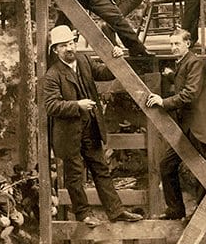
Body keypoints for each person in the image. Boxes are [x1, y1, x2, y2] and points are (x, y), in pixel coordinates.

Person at [42, 25, 144, 225]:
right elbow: (51, 106)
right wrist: (77, 105)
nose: (70, 48)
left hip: (91, 129)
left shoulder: (84, 61)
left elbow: (105, 73)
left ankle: (116, 211)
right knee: (75, 176)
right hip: (69, 134)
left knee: (101, 170)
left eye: (71, 43)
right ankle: (83, 214)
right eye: (64, 46)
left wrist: (116, 58)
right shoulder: (53, 75)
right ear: (56, 50)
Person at [146, 30, 206, 220]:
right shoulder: (183, 63)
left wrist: (164, 102)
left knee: (204, 172)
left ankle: (202, 215)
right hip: (187, 128)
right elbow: (183, 82)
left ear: (188, 43)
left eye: (177, 43)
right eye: (171, 44)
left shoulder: (195, 62)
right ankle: (176, 210)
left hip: (198, 127)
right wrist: (171, 76)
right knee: (167, 165)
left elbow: (191, 93)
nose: (173, 48)